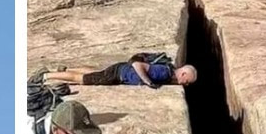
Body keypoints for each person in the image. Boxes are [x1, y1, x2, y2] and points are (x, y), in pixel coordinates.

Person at [40, 54, 197, 88]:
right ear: (182, 74)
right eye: (187, 81)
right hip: (119, 74)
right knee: (82, 79)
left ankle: (66, 69)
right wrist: (147, 81)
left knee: (96, 72)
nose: (185, 84)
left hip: (120, 69)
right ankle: (47, 75)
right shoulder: (163, 72)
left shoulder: (169, 71)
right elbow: (138, 65)